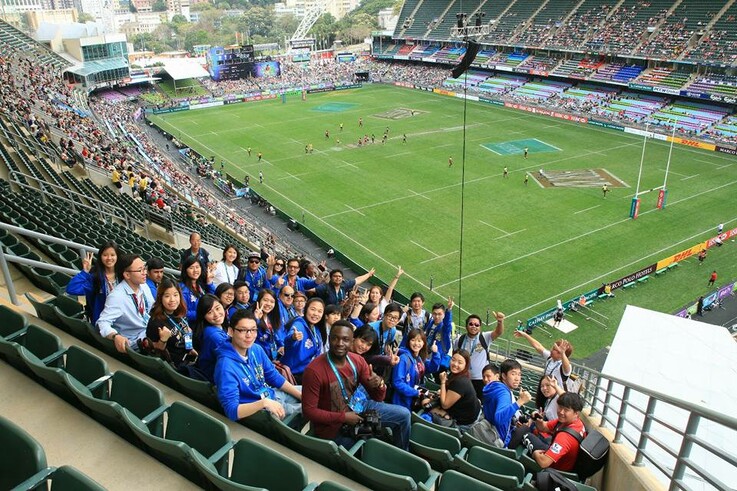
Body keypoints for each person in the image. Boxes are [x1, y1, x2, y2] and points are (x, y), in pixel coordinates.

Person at [301, 321, 412, 450]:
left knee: (404, 415)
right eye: (335, 338)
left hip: (359, 408)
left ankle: (404, 454)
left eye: (345, 339)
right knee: (372, 449)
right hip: (333, 427)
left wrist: (380, 384)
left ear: (351, 341)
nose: (340, 343)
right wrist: (343, 417)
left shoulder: (357, 361)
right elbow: (309, 412)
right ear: (329, 339)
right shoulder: (314, 371)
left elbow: (378, 398)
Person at [215, 309, 302, 421]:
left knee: (313, 394)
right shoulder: (225, 367)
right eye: (243, 330)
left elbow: (274, 377)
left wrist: (300, 396)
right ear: (231, 331)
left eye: (253, 330)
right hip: (262, 410)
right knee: (313, 408)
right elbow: (232, 411)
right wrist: (263, 403)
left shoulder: (256, 349)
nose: (249, 335)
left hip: (272, 395)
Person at [96, 254, 154, 353]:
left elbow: (153, 307)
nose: (145, 273)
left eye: (145, 269)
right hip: (135, 343)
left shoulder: (144, 286)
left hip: (148, 330)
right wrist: (115, 336)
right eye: (140, 270)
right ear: (127, 275)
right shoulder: (117, 297)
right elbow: (102, 323)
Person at [139, 278, 199, 375]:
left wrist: (190, 348)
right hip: (173, 368)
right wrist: (163, 340)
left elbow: (186, 332)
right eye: (167, 296)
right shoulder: (155, 321)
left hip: (187, 357)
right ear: (160, 297)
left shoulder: (180, 313)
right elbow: (155, 351)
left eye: (175, 295)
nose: (172, 300)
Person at [524, 392, 586, 472]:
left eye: (566, 410)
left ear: (576, 413)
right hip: (559, 459)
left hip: (555, 471)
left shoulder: (565, 437)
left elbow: (543, 463)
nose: (561, 412)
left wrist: (535, 454)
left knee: (526, 435)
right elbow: (544, 427)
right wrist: (538, 420)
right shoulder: (573, 422)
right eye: (560, 407)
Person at [482, 359, 533, 447]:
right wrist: (520, 401)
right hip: (498, 441)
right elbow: (499, 418)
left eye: (519, 374)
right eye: (513, 374)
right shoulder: (504, 393)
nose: (517, 378)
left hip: (489, 432)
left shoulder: (495, 387)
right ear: (504, 376)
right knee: (529, 427)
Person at [67, 241, 120, 324]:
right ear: (100, 257)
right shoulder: (95, 277)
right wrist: (85, 272)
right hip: (103, 321)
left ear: (117, 256)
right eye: (105, 255)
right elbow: (72, 289)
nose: (109, 258)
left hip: (123, 319)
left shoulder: (123, 275)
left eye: (112, 255)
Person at [514, 330, 573, 405]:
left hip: (556, 398)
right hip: (545, 392)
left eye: (555, 350)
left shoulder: (564, 366)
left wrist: (562, 353)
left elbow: (567, 367)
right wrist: (525, 335)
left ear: (560, 354)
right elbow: (538, 346)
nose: (551, 350)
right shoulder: (550, 358)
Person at [455, 312, 505, 398]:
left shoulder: (484, 337)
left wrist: (500, 322)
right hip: (464, 377)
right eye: (471, 324)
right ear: (466, 326)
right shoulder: (460, 339)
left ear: (480, 327)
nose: (474, 326)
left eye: (477, 325)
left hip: (481, 379)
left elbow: (498, 332)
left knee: (480, 401)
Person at [426, 350, 481, 428]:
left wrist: (443, 382)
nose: (455, 364)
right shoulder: (456, 374)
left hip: (465, 423)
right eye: (453, 360)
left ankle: (445, 416)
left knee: (426, 403)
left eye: (460, 362)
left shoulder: (460, 382)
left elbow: (445, 405)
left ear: (466, 365)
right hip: (469, 413)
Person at [392, 329, 441, 410]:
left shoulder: (419, 358)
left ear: (423, 343)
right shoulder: (403, 359)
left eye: (419, 341)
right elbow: (397, 382)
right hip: (402, 402)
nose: (416, 344)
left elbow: (433, 368)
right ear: (408, 342)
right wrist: (416, 393)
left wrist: (435, 353)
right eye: (413, 340)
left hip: (413, 400)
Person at [282, 297, 326, 383]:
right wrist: (293, 338)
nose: (316, 314)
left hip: (310, 371)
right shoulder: (299, 324)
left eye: (320, 311)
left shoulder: (316, 328)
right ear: (306, 309)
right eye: (313, 309)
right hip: (295, 374)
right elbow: (288, 341)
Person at [193, 295, 228, 383]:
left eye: (217, 308)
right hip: (216, 380)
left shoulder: (215, 328)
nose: (216, 314)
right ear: (203, 316)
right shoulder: (214, 336)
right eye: (209, 312)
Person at [180, 255, 216, 324]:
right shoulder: (182, 289)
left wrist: (209, 282)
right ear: (185, 270)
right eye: (191, 268)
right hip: (192, 326)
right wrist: (202, 313)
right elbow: (183, 312)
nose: (195, 270)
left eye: (197, 267)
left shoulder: (200, 285)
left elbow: (212, 299)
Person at [252, 289, 284, 361]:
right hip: (260, 359)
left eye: (272, 302)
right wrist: (256, 319)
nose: (269, 304)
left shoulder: (271, 318)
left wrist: (281, 347)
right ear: (259, 300)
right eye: (265, 300)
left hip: (272, 359)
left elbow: (275, 337)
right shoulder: (251, 318)